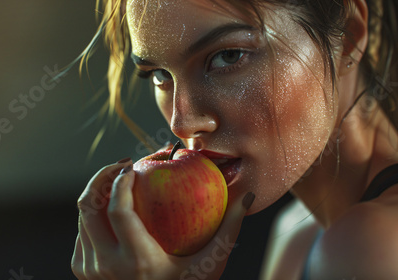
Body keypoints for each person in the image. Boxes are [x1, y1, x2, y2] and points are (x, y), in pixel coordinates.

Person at [71, 0, 398, 279]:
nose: (182, 124)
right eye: (159, 74)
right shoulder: (295, 233)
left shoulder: (371, 243)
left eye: (227, 56)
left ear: (349, 35)